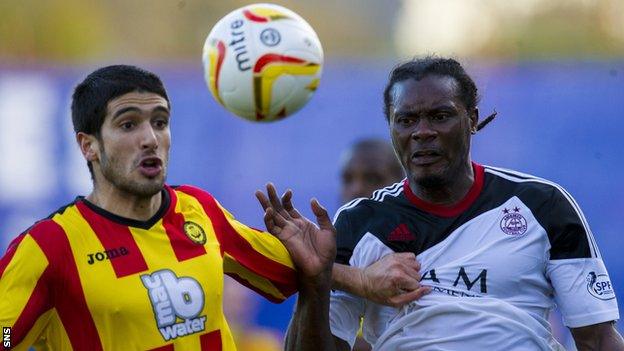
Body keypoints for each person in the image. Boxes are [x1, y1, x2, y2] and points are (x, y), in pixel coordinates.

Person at [257, 57, 624, 350]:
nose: (422, 132)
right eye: (407, 120)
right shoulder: (358, 223)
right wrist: (316, 279)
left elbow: (598, 339)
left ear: (473, 120)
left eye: (440, 115)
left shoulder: (544, 206)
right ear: (391, 128)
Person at [0, 65, 338, 350]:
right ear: (88, 145)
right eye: (128, 124)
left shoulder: (198, 209)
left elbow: (299, 273)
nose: (150, 138)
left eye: (160, 122)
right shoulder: (49, 247)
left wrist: (365, 280)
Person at [339, 138, 405, 351]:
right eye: (348, 179)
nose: (356, 189)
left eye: (372, 178)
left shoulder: (427, 254)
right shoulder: (329, 259)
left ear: (402, 183)